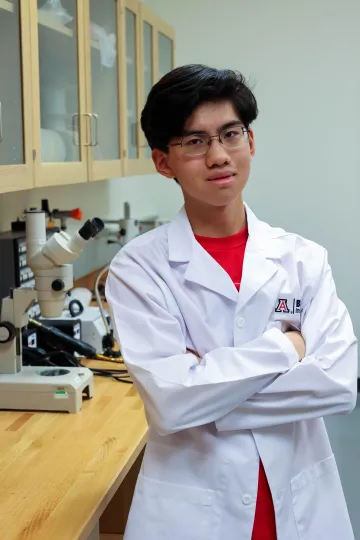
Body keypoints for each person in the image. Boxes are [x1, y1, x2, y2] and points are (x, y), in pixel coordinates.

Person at [105, 64, 358, 540]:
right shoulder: (139, 269)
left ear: (251, 142)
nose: (219, 156)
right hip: (193, 513)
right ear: (163, 162)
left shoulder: (302, 259)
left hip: (301, 508)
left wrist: (204, 387)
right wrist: (287, 351)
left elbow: (338, 386)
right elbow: (172, 403)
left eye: (230, 134)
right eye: (195, 142)